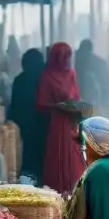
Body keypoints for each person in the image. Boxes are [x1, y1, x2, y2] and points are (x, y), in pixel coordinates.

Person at [37, 42, 86, 195]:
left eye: (68, 58)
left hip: (72, 122)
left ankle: (75, 193)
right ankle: (58, 192)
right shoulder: (47, 76)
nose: (66, 61)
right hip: (57, 124)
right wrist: (58, 106)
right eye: (63, 58)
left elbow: (77, 97)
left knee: (74, 158)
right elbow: (41, 104)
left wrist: (75, 106)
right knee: (58, 158)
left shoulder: (71, 74)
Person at [8, 49, 48, 184]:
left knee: (28, 153)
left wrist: (12, 119)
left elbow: (13, 105)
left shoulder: (19, 80)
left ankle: (29, 181)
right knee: (42, 154)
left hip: (25, 124)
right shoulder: (45, 78)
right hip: (42, 124)